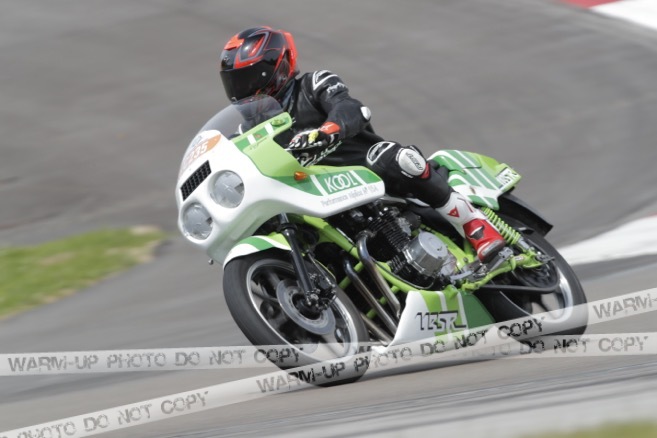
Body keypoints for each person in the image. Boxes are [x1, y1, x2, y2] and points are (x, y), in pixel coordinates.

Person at [219, 26, 505, 263]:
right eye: (236, 83)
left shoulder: (313, 84)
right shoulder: (248, 132)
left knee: (397, 158)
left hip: (366, 171)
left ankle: (474, 225)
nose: (243, 90)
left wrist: (326, 131)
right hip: (313, 195)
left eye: (248, 79)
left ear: (278, 66)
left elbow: (348, 107)